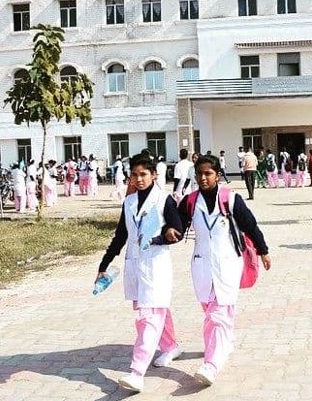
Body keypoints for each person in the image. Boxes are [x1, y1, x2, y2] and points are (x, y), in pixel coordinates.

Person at [177, 155, 272, 386]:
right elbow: (177, 230)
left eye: (208, 173)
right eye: (199, 173)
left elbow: (250, 225)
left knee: (218, 314)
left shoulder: (231, 199)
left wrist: (263, 250)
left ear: (217, 175)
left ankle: (211, 364)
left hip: (228, 263)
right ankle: (225, 342)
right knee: (211, 311)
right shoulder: (189, 202)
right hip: (200, 265)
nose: (203, 178)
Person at [95, 155, 185, 393]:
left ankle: (137, 372)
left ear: (154, 175)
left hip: (156, 265)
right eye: (134, 175)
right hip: (136, 265)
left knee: (149, 317)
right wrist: (104, 264)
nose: (139, 179)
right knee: (156, 310)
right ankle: (171, 346)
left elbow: (178, 230)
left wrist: (161, 237)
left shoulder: (164, 200)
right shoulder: (129, 202)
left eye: (143, 174)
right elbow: (120, 236)